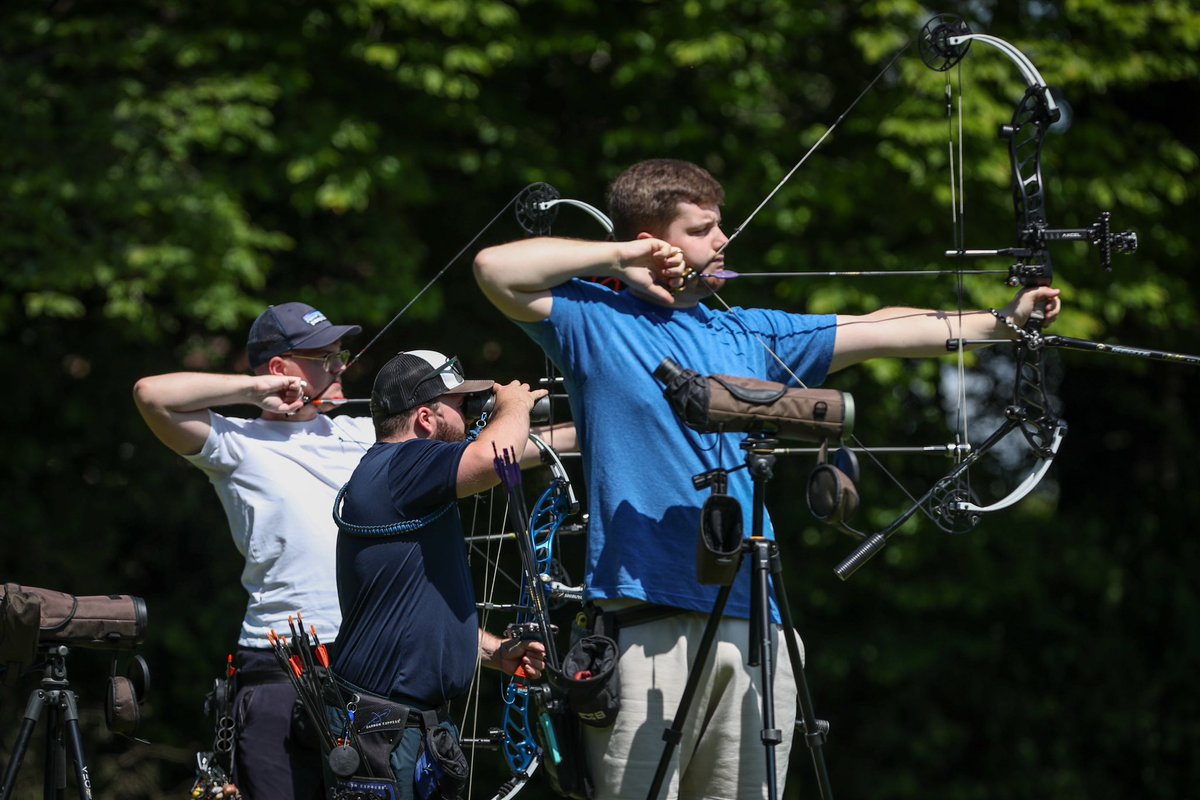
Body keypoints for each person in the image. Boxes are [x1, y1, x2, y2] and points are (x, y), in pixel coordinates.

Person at [472, 158, 1063, 799]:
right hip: (644, 623)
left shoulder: (749, 332)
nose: (722, 240)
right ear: (654, 241)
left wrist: (1004, 320)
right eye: (702, 229)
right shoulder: (593, 320)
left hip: (757, 628)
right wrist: (620, 257)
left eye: (719, 225)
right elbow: (494, 269)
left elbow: (882, 328)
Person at [133, 301, 374, 800]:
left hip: (363, 661)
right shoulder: (237, 442)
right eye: (325, 357)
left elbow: (477, 450)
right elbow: (150, 394)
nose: (340, 367)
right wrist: (254, 390)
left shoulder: (362, 432)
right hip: (277, 667)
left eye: (340, 355)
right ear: (281, 369)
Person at [330, 349, 554, 798]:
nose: (471, 416)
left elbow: (413, 614)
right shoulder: (402, 464)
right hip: (385, 731)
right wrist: (514, 404)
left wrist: (493, 651)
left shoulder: (403, 479)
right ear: (426, 419)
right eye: (461, 405)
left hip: (405, 728)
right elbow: (496, 457)